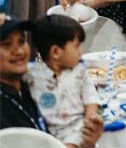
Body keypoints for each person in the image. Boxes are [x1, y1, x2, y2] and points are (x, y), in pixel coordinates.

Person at [0, 14, 103, 147]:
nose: (18, 51)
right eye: (7, 44)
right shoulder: (30, 80)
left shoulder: (25, 86)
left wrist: (88, 142)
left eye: (21, 41)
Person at [27, 15, 100, 148]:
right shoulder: (31, 74)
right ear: (55, 52)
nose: (80, 52)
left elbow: (90, 96)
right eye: (76, 46)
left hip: (76, 129)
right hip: (44, 132)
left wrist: (91, 116)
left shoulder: (80, 72)